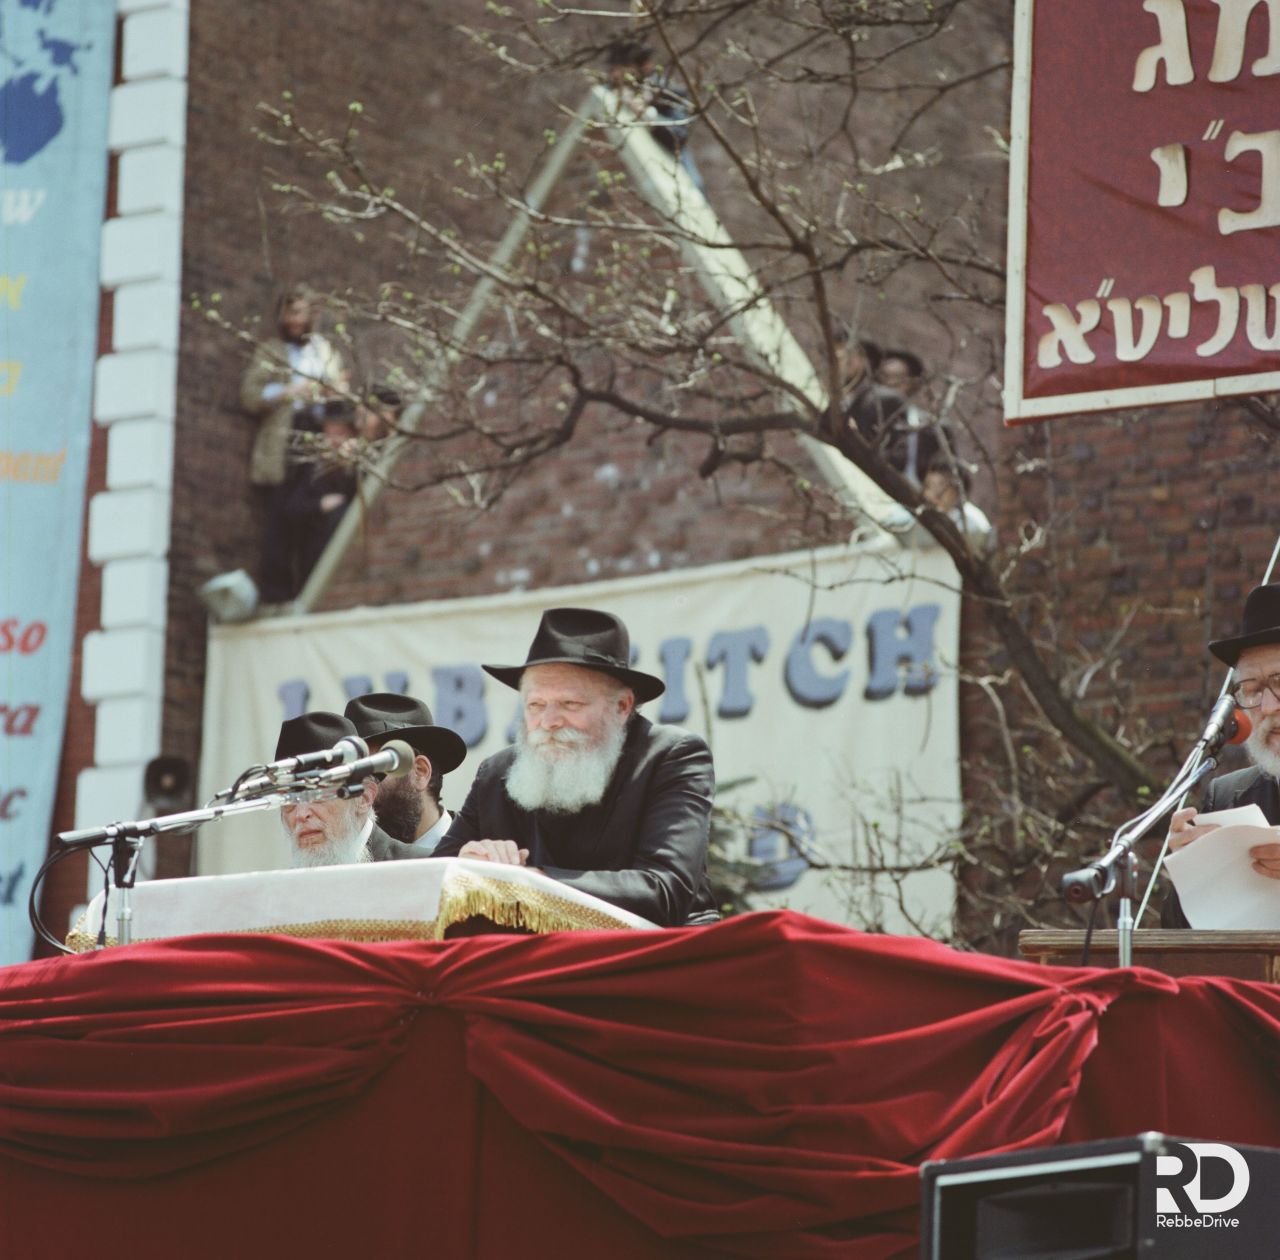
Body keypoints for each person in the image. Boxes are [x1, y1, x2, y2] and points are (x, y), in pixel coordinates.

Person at [431, 607, 720, 926]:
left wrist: (529, 881)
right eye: (536, 705)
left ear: (622, 706)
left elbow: (664, 891)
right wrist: (467, 864)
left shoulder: (671, 757)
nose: (549, 722)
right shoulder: (496, 773)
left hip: (656, 948)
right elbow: (429, 884)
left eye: (570, 704)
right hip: (537, 952)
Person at [1163, 583, 1280, 926]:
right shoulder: (1228, 797)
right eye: (1252, 689)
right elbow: (1180, 940)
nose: (1268, 707)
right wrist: (1190, 875)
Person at [239, 286, 348, 602]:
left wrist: (331, 391)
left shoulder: (324, 352)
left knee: (311, 513)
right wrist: (290, 391)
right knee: (280, 516)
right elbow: (250, 395)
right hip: (284, 440)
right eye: (289, 313)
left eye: (300, 313)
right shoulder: (272, 350)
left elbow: (339, 393)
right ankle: (277, 592)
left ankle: (310, 589)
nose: (294, 320)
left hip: (317, 437)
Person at [274, 711, 423, 866]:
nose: (301, 814)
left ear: (364, 798)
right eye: (289, 800)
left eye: (318, 794)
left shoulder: (420, 866)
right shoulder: (284, 881)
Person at [343, 692, 468, 849]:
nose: (355, 788)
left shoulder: (482, 852)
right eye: (349, 772)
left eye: (370, 768)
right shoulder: (344, 856)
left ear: (420, 772)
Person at [605, 40, 705, 193]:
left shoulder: (668, 93)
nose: (616, 75)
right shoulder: (609, 93)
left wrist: (646, 114)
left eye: (623, 68)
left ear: (645, 66)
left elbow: (680, 135)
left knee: (694, 188)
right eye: (614, 69)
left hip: (672, 165)